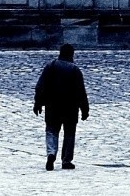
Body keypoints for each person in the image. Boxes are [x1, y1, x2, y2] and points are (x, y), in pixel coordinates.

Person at [32, 43, 90, 171]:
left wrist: (38, 103)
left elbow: (40, 86)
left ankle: (51, 153)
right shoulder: (75, 70)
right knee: (69, 133)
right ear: (72, 54)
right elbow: (81, 92)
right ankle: (66, 160)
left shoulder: (51, 66)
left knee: (51, 130)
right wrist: (85, 109)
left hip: (52, 106)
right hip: (70, 107)